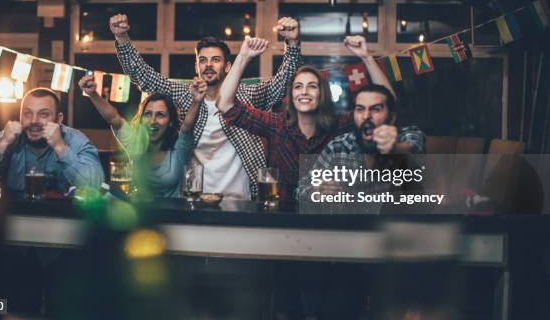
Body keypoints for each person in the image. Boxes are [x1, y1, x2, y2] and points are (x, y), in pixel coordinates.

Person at [110, 14, 303, 199]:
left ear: (228, 67)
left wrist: (292, 44)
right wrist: (122, 37)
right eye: (202, 60)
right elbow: (144, 76)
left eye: (215, 60)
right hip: (195, 197)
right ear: (196, 67)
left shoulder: (248, 96)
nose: (208, 65)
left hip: (243, 197)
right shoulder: (186, 96)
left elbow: (283, 84)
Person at [216, 35, 397, 201]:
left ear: (321, 94)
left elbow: (386, 104)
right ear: (291, 95)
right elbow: (225, 104)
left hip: (324, 216)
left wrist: (366, 58)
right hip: (280, 216)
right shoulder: (276, 124)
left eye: (312, 86)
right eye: (298, 86)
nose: (304, 91)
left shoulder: (337, 125)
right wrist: (244, 56)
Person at [78, 74, 206, 197]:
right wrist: (93, 94)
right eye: (148, 114)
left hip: (173, 216)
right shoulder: (134, 142)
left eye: (160, 115)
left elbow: (187, 126)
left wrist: (197, 101)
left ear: (170, 122)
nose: (152, 121)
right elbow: (113, 118)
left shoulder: (179, 148)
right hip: (139, 215)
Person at [297, 83, 426, 202]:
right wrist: (317, 191)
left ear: (392, 117)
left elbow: (413, 148)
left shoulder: (407, 135)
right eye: (360, 109)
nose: (366, 116)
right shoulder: (338, 147)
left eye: (375, 109)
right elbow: (301, 190)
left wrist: (394, 149)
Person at [0, 87, 104, 196]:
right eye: (27, 113)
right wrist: (2, 144)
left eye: (43, 114)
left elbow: (95, 186)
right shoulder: (6, 138)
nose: (34, 121)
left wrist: (60, 146)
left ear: (59, 119)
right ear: (20, 116)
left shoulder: (76, 140)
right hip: (14, 214)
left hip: (65, 215)